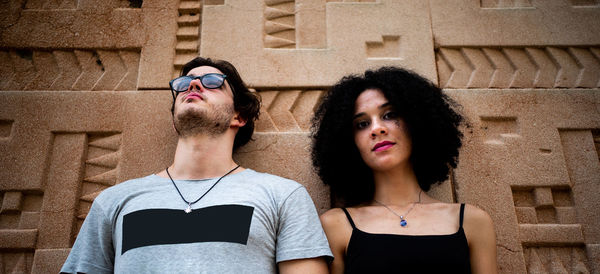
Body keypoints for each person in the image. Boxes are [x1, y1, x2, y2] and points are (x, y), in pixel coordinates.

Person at [61, 57, 332, 273]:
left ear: (239, 116)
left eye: (212, 82)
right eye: (184, 83)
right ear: (174, 120)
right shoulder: (114, 201)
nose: (193, 85)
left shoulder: (283, 196)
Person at [311, 67, 497, 273]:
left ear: (417, 121)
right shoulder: (336, 225)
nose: (377, 129)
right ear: (349, 141)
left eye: (389, 115)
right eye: (362, 124)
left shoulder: (471, 221)